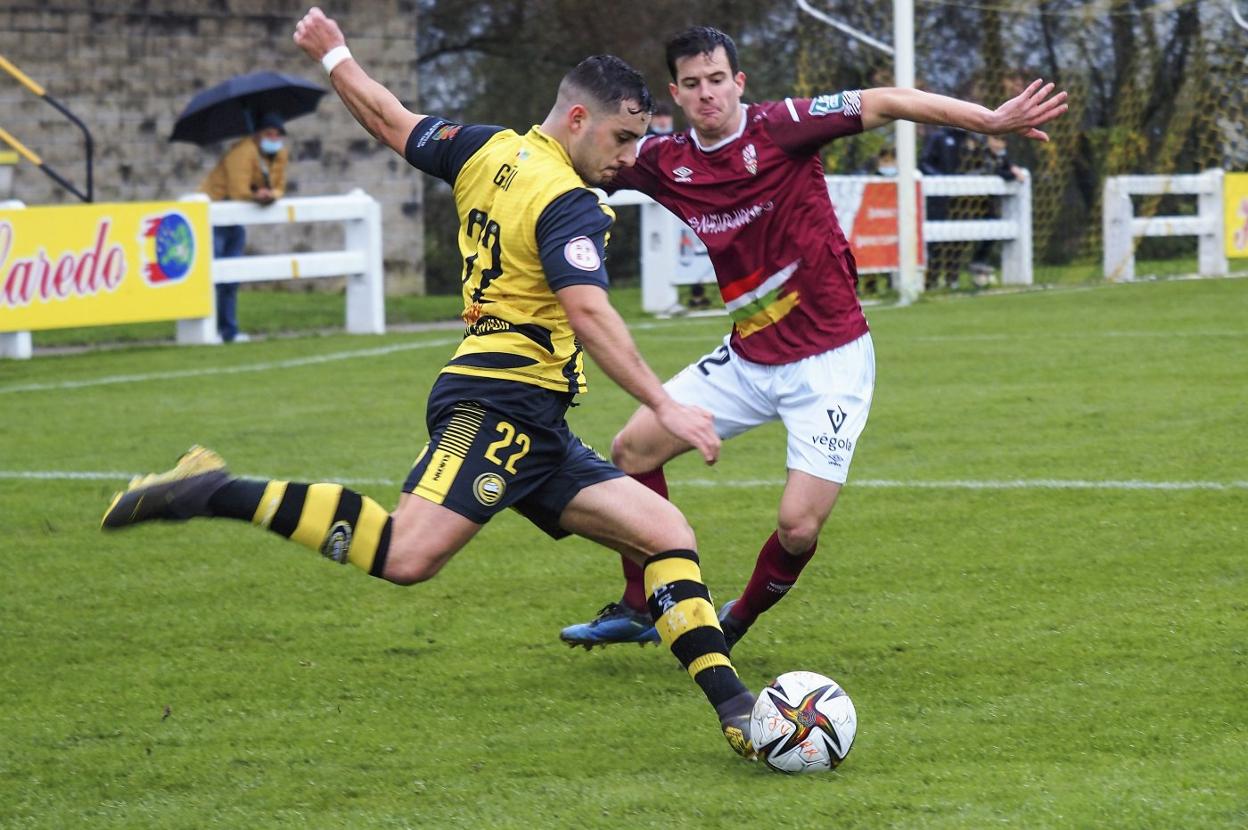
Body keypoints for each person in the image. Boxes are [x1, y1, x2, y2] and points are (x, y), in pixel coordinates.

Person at [102, 7, 758, 762]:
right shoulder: (570, 202)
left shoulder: (488, 151)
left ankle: (738, 712)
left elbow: (391, 119)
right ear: (578, 118)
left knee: (667, 535)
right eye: (621, 137)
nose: (629, 155)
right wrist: (665, 402)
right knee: (405, 556)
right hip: (496, 400)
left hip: (534, 419)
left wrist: (336, 53)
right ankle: (214, 490)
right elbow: (587, 308)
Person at [559, 26, 1066, 649]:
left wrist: (987, 121)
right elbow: (580, 154)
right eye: (692, 85)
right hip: (748, 358)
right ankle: (639, 607)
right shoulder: (665, 162)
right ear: (677, 93)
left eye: (717, 80)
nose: (707, 94)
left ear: (739, 82)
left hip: (830, 361)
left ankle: (736, 618)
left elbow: (887, 101)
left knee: (797, 527)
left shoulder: (784, 126)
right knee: (632, 449)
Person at [198, 111, 290, 342]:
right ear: (259, 134)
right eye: (270, 134)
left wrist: (271, 194)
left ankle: (228, 331)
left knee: (231, 278)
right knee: (214, 277)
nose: (275, 139)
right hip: (215, 215)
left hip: (233, 219)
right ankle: (211, 330)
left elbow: (279, 186)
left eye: (278, 135)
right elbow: (238, 191)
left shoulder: (278, 155)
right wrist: (257, 195)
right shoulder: (242, 152)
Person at [919, 123, 978, 289]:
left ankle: (952, 279)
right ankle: (931, 280)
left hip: (962, 199)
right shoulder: (938, 137)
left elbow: (979, 165)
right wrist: (943, 181)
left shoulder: (971, 140)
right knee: (935, 241)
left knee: (958, 239)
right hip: (939, 198)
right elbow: (924, 163)